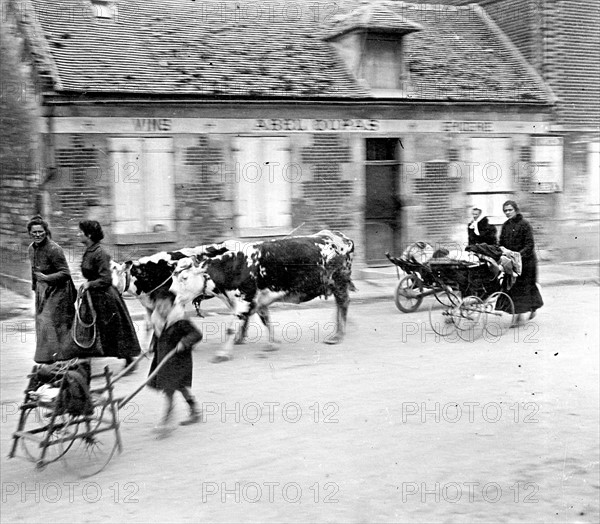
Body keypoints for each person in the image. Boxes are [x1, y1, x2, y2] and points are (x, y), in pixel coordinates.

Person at [78, 220, 141, 370]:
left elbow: (106, 279)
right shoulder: (89, 251)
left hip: (105, 298)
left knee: (112, 330)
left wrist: (89, 284)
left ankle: (129, 359)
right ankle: (85, 360)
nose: (78, 234)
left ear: (89, 235)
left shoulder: (100, 253)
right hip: (93, 296)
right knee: (89, 327)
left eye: (81, 232)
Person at [148, 288, 203, 431]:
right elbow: (157, 335)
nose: (161, 310)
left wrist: (184, 342)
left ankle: (166, 421)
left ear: (172, 305)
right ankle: (195, 410)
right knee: (180, 387)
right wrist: (152, 345)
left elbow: (196, 334)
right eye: (158, 307)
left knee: (169, 390)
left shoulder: (180, 320)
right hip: (163, 359)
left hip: (178, 360)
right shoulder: (157, 319)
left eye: (165, 307)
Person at [27, 215, 77, 363]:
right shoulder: (31, 249)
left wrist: (46, 278)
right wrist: (35, 287)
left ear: (46, 231)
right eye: (34, 232)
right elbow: (34, 270)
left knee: (51, 321)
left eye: (40, 231)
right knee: (41, 321)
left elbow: (65, 273)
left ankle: (66, 356)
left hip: (60, 290)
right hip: (43, 291)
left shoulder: (54, 249)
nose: (37, 235)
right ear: (29, 233)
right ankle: (47, 357)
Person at [499, 200, 544, 323]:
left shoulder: (525, 225)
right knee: (514, 289)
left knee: (527, 288)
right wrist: (502, 250)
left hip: (527, 262)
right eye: (505, 211)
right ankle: (519, 314)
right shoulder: (505, 226)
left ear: (516, 210)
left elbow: (530, 245)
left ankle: (529, 310)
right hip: (512, 262)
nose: (507, 213)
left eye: (510, 210)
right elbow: (501, 242)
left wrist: (518, 255)